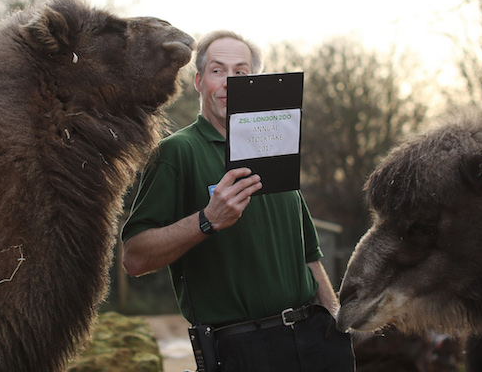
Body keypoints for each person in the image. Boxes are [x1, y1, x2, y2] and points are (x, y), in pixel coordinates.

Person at [121, 30, 355, 372]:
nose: (230, 81)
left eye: (241, 73)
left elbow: (309, 254)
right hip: (242, 348)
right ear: (200, 81)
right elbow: (134, 258)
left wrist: (336, 324)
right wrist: (207, 220)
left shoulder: (276, 146)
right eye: (218, 71)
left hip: (316, 339)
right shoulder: (177, 152)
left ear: (255, 82)